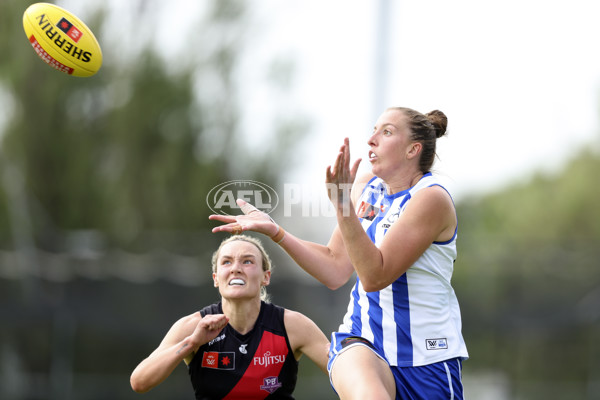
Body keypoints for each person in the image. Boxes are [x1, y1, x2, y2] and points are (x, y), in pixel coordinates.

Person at [209, 106, 469, 399]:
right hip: (363, 341)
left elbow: (375, 274)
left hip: (427, 357)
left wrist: (342, 204)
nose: (371, 140)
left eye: (386, 132)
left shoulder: (430, 198)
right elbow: (335, 268)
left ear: (413, 149)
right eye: (373, 130)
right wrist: (276, 231)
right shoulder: (367, 186)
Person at [130, 234, 330, 399]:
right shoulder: (193, 327)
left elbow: (344, 374)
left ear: (265, 277)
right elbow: (140, 381)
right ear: (216, 278)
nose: (236, 268)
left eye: (247, 261)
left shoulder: (292, 325)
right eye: (227, 262)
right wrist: (191, 344)